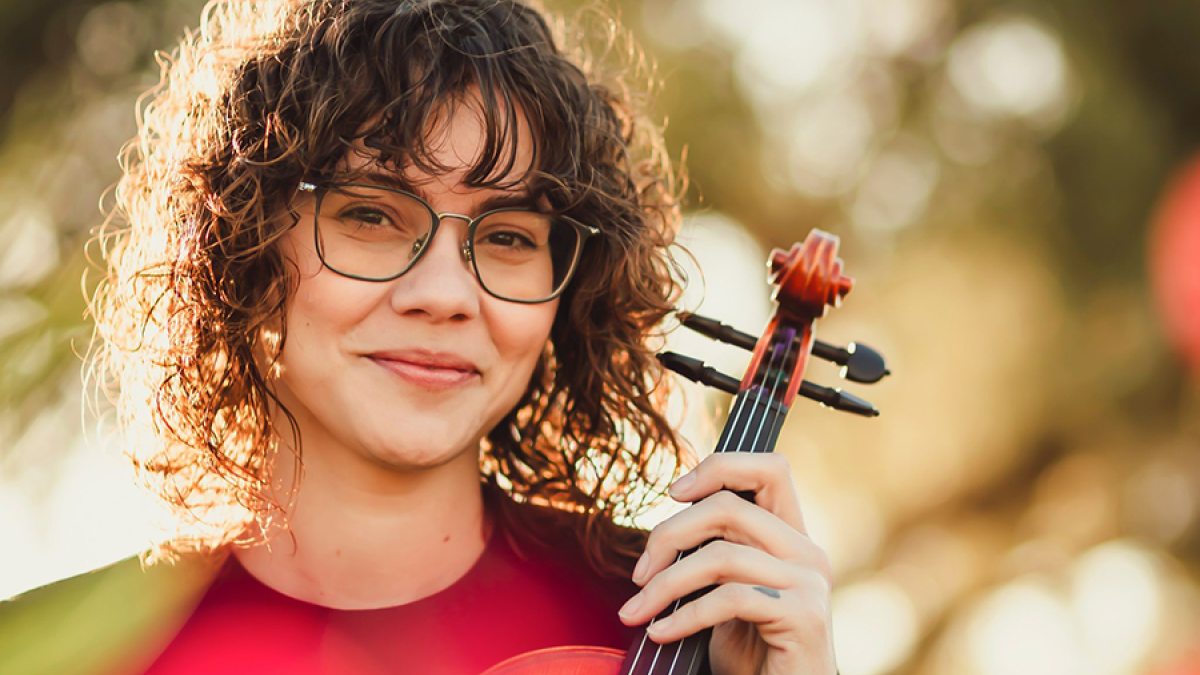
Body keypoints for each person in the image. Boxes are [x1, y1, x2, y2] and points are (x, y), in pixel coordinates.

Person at [0, 1, 837, 674]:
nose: (444, 295)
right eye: (369, 215)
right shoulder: (63, 651)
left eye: (508, 235)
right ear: (247, 246)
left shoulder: (677, 616)